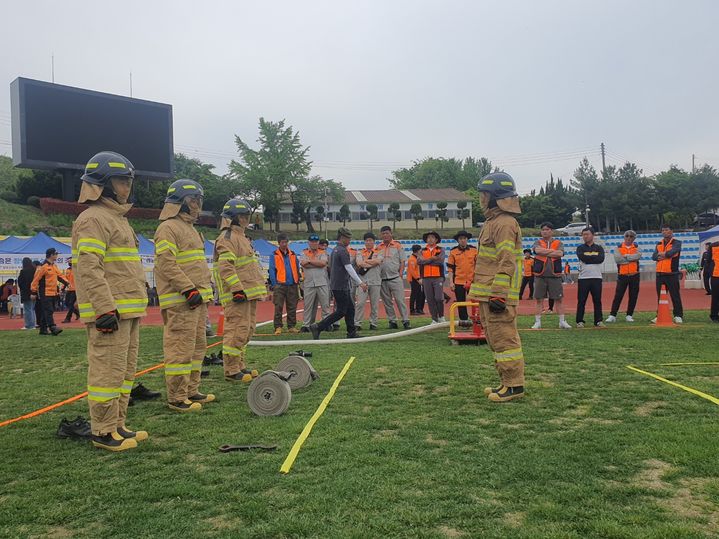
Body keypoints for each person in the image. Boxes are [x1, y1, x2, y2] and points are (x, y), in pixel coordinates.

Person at [72, 151, 149, 451]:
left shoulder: (116, 219)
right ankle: (102, 431)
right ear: (102, 184)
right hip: (110, 311)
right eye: (120, 180)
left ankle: (117, 424)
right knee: (106, 373)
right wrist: (104, 308)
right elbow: (89, 266)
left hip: (127, 309)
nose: (126, 187)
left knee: (124, 371)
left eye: (128, 180)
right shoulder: (92, 219)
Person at [154, 178, 215, 412]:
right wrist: (188, 289)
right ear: (181, 201)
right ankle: (177, 397)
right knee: (180, 348)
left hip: (197, 299)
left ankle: (191, 390)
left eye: (199, 199)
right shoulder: (168, 228)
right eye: (194, 199)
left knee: (198, 346)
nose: (198, 204)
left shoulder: (190, 228)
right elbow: (166, 264)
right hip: (181, 299)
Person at [468, 172, 525, 402]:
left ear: (495, 198)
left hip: (497, 294)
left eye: (484, 195)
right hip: (489, 293)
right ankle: (506, 382)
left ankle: (514, 386)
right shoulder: (494, 222)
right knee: (496, 339)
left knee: (505, 340)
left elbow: (506, 260)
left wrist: (499, 294)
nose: (481, 199)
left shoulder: (504, 223)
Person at [214, 198, 267, 382]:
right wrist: (236, 289)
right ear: (232, 218)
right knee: (236, 330)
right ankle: (231, 369)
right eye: (241, 216)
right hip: (238, 295)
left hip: (248, 293)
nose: (245, 219)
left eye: (246, 215)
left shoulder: (241, 237)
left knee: (246, 330)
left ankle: (240, 365)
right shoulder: (227, 238)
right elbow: (226, 267)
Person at [310, 228, 367, 339]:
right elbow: (349, 268)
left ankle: (351, 332)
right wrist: (360, 282)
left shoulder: (335, 250)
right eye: (348, 238)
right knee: (341, 311)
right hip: (341, 286)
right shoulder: (342, 250)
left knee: (350, 308)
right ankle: (318, 326)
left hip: (338, 284)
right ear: (342, 238)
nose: (349, 240)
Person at [531, 223, 571, 329]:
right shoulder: (537, 242)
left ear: (551, 231)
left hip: (555, 275)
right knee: (539, 299)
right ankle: (537, 321)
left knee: (559, 299)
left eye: (547, 229)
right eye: (543, 229)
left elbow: (560, 254)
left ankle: (562, 321)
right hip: (540, 275)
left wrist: (545, 253)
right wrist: (553, 252)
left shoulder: (558, 242)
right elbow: (537, 250)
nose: (545, 231)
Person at [31, 248, 69, 336]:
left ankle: (43, 330)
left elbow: (60, 276)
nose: (57, 255)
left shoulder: (54, 266)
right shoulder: (42, 267)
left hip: (53, 292)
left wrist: (67, 283)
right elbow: (35, 280)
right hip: (44, 292)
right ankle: (53, 327)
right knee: (49, 310)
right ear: (51, 255)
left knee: (48, 311)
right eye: (56, 254)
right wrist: (33, 292)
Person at [606, 230, 642, 323]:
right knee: (618, 296)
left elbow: (638, 256)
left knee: (633, 296)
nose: (629, 238)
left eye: (631, 236)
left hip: (635, 275)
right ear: (624, 237)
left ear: (634, 238)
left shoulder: (637, 247)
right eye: (627, 236)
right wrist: (631, 258)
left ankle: (629, 315)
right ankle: (612, 315)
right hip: (622, 275)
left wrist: (626, 257)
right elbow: (618, 260)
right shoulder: (618, 247)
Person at [378, 225, 410, 329]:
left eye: (387, 233)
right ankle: (392, 321)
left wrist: (400, 274)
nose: (385, 235)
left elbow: (402, 261)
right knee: (387, 302)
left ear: (391, 234)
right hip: (383, 279)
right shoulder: (378, 247)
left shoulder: (397, 245)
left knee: (400, 300)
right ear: (381, 235)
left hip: (395, 278)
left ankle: (405, 320)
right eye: (383, 233)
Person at [269, 233, 301, 335]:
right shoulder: (274, 255)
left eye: (286, 242)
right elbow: (272, 270)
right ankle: (278, 327)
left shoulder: (293, 254)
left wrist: (297, 280)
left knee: (292, 306)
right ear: (279, 243)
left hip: (292, 284)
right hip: (280, 285)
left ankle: (291, 326)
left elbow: (296, 267)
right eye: (283, 242)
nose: (285, 244)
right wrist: (274, 284)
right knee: (278, 306)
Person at [651, 224, 684, 324]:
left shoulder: (677, 242)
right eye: (663, 230)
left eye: (666, 230)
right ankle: (659, 315)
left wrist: (663, 254)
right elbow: (654, 257)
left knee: (675, 295)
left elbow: (671, 253)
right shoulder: (659, 243)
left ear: (671, 231)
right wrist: (665, 255)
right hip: (660, 274)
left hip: (671, 273)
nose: (664, 232)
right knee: (660, 297)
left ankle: (678, 315)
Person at [575, 227, 605, 328]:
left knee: (597, 300)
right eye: (583, 234)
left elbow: (600, 259)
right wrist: (593, 258)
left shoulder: (599, 248)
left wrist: (589, 258)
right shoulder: (580, 248)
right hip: (583, 278)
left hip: (596, 277)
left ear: (592, 235)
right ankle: (579, 321)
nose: (585, 236)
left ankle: (598, 320)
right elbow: (582, 258)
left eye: (587, 234)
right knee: (581, 300)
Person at [300, 234, 330, 332]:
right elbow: (303, 264)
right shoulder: (304, 252)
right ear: (308, 242)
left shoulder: (323, 252)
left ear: (318, 243)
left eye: (316, 241)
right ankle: (307, 325)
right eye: (312, 241)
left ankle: (326, 324)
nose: (314, 243)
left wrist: (309, 261)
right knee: (308, 305)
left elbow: (323, 263)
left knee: (325, 305)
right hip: (309, 283)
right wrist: (316, 262)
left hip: (322, 282)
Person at [354, 232, 384, 330]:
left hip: (375, 281)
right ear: (364, 242)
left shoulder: (379, 251)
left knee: (374, 304)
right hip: (363, 282)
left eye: (370, 240)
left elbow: (378, 261)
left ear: (374, 241)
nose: (368, 242)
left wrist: (365, 261)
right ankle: (357, 323)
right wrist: (371, 263)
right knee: (360, 303)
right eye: (366, 240)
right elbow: (359, 263)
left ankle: (373, 323)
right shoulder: (360, 252)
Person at [447, 230, 477, 327]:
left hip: (472, 281)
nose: (463, 240)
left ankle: (477, 321)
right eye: (460, 239)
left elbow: (478, 265)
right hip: (459, 281)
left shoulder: (474, 250)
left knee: (475, 302)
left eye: (464, 238)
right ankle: (464, 322)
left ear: (467, 239)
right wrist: (451, 282)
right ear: (458, 240)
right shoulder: (453, 251)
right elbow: (450, 269)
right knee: (461, 302)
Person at [417, 231, 446, 323]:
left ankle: (441, 316)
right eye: (428, 237)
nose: (430, 239)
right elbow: (419, 262)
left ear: (436, 239)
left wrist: (426, 260)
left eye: (432, 237)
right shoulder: (422, 250)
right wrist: (432, 259)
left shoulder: (441, 249)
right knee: (430, 299)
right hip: (426, 277)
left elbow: (440, 261)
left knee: (438, 297)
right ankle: (434, 318)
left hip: (438, 277)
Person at [17, 257, 37, 330]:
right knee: (32, 309)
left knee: (27, 309)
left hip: (26, 292)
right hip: (34, 292)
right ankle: (33, 324)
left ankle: (29, 325)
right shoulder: (35, 270)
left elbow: (20, 282)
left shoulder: (23, 271)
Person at [407, 244, 425, 315]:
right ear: (417, 251)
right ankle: (412, 310)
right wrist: (418, 279)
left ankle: (418, 309)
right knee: (414, 294)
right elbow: (412, 271)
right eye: (420, 250)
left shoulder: (416, 258)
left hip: (417, 278)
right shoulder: (412, 259)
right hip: (413, 279)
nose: (421, 251)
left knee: (419, 294)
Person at [709, 241, 719, 322]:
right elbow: (708, 261)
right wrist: (710, 272)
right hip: (715, 275)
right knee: (715, 296)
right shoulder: (713, 245)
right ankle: (714, 316)